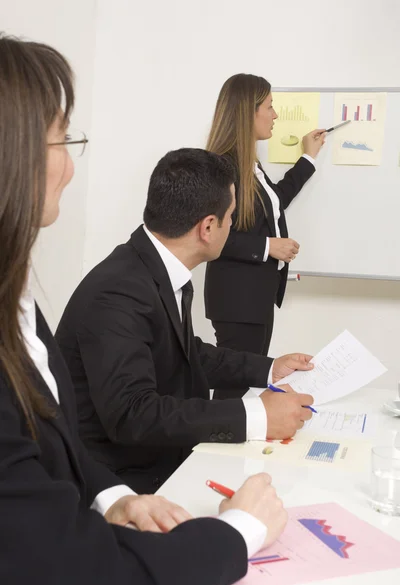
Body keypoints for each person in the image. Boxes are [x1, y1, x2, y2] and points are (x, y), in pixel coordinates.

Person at [0, 34, 289, 585]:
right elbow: (69, 567)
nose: (70, 166)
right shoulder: (119, 290)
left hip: (113, 493)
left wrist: (113, 499)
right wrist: (241, 531)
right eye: (64, 139)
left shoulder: (27, 305)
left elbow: (189, 356)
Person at [56, 147, 314, 495]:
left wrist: (269, 370)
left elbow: (186, 353)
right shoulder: (118, 293)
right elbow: (134, 415)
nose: (233, 226)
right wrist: (256, 416)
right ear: (208, 227)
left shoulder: (153, 267)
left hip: (159, 460)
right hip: (123, 486)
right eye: (231, 217)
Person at [204, 73, 326, 399]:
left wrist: (308, 158)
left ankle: (236, 442)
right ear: (248, 111)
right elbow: (208, 233)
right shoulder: (222, 166)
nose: (275, 115)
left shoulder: (249, 165)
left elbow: (275, 202)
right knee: (235, 389)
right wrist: (268, 246)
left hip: (255, 298)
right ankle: (218, 443)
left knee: (245, 386)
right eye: (270, 107)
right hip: (237, 302)